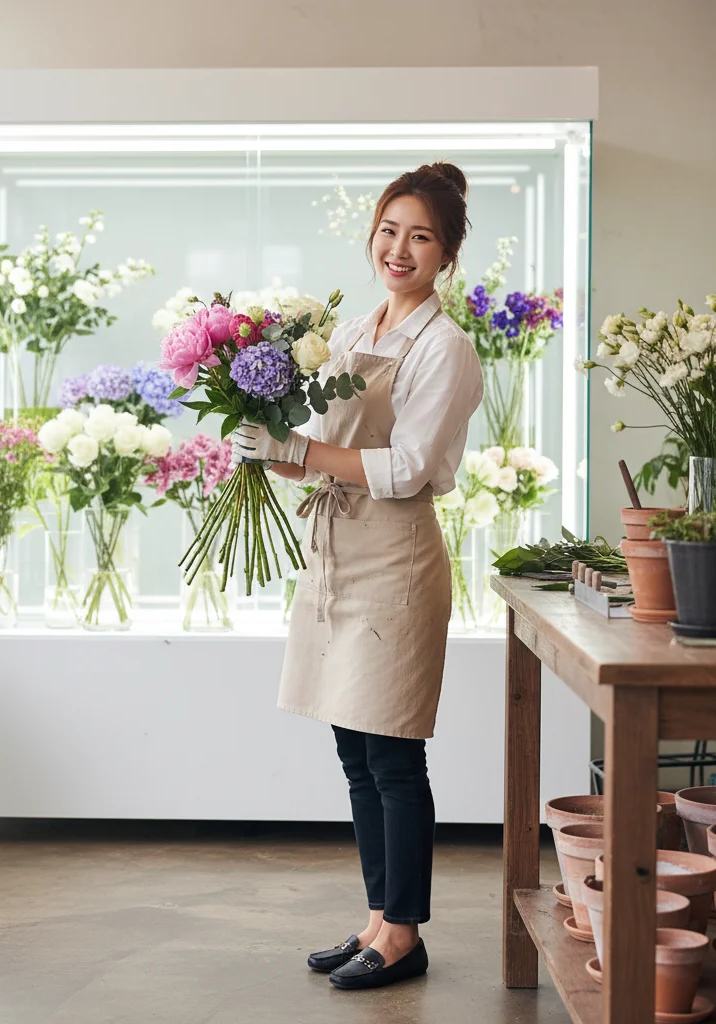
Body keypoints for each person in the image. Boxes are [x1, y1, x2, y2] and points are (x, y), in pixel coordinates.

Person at [231, 162, 484, 992]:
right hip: (338, 556)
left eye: (420, 237)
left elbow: (406, 467)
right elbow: (331, 460)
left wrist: (297, 449)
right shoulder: (351, 332)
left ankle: (405, 933)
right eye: (389, 229)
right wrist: (266, 450)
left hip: (398, 564)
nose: (399, 248)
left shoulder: (444, 347)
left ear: (446, 255)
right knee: (354, 751)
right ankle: (379, 916)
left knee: (394, 755)